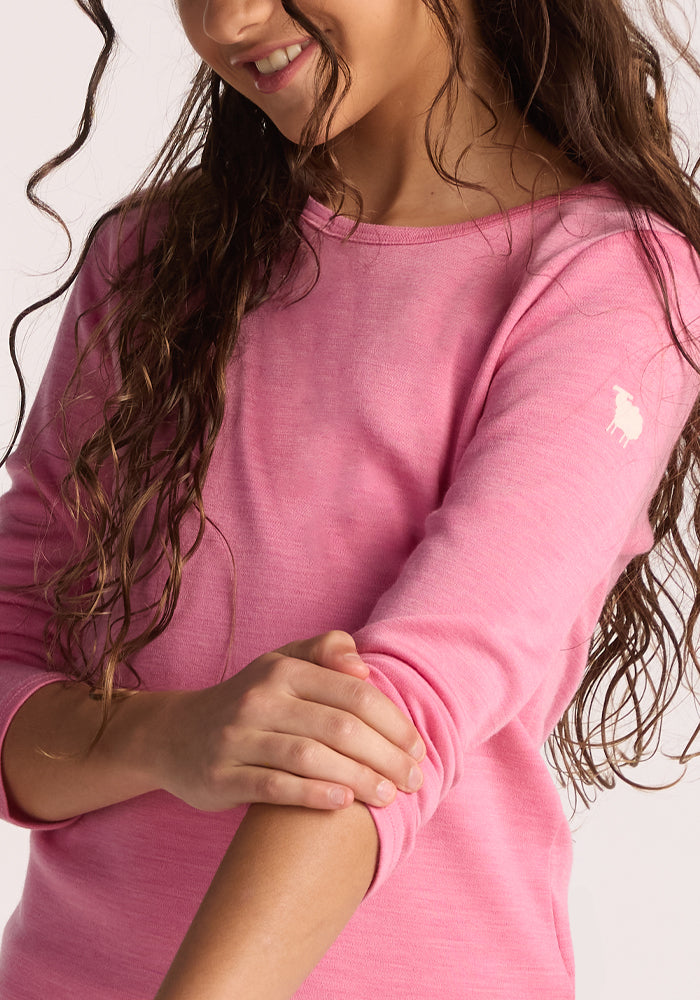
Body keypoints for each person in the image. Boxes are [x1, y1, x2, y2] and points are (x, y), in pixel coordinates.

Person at [1, 0, 700, 997]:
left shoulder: (602, 283)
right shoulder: (151, 263)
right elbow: (12, 654)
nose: (229, 19)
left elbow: (388, 721)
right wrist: (172, 736)